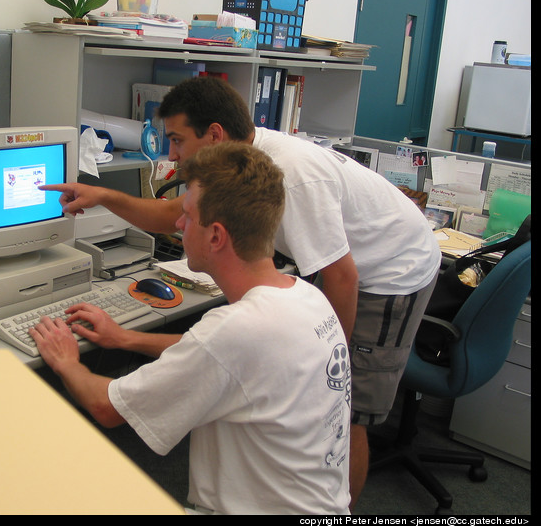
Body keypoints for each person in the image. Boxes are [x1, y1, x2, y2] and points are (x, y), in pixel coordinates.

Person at [42, 76, 441, 509]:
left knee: (352, 414)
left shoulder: (294, 178)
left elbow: (341, 278)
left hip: (391, 272)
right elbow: (232, 351)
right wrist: (125, 336)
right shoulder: (297, 294)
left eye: (176, 139)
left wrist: (66, 362)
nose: (170, 153)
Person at [31, 143, 352, 514]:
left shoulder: (237, 330)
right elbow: (214, 355)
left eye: (186, 215)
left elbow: (107, 407)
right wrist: (124, 338)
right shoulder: (306, 298)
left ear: (216, 236)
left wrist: (66, 361)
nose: (179, 225)